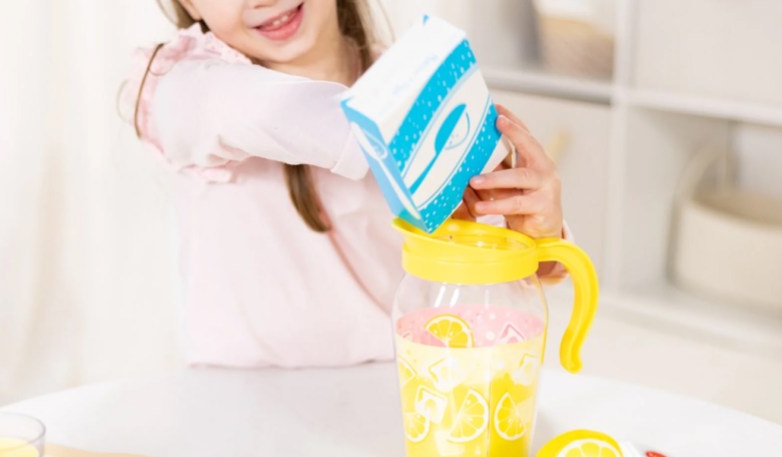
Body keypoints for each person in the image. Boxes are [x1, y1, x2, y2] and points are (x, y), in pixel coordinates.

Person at [125, 0, 567, 367]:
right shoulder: (183, 87)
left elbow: (505, 274)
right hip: (246, 403)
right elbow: (272, 112)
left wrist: (534, 232)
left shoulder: (412, 88)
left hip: (398, 393)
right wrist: (440, 131)